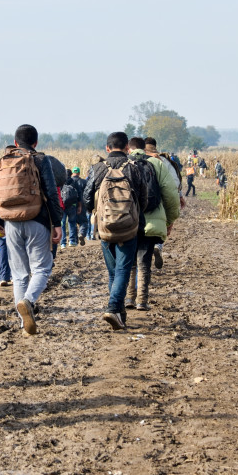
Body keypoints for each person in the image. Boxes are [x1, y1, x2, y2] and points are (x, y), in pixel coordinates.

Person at [0, 124, 63, 335]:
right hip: (37, 220)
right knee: (42, 268)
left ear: (15, 142)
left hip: (10, 222)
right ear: (36, 142)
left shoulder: (2, 161)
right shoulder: (40, 159)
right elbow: (52, 194)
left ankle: (22, 322)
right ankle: (28, 301)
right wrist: (57, 223)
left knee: (19, 274)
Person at [83, 131, 147, 330]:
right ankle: (113, 309)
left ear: (107, 148)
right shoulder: (134, 169)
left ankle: (119, 313)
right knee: (122, 271)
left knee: (113, 273)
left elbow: (86, 197)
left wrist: (96, 213)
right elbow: (144, 198)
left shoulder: (97, 168)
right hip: (129, 228)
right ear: (127, 148)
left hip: (105, 229)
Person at [125, 137, 180, 311]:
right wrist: (169, 220)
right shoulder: (157, 165)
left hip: (128, 220)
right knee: (144, 262)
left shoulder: (123, 164)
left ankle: (129, 299)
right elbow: (171, 194)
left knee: (130, 261)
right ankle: (142, 301)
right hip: (151, 220)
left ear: (129, 149)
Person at [59, 168, 82, 247]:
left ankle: (63, 243)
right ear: (71, 174)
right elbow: (79, 195)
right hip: (72, 205)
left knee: (62, 224)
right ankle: (72, 241)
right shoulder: (74, 182)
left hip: (62, 206)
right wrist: (79, 206)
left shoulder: (61, 181)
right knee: (72, 223)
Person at [68, 167, 88, 245]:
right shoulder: (84, 181)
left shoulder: (69, 181)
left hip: (70, 204)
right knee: (83, 222)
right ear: (79, 173)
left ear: (73, 173)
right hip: (81, 204)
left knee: (72, 223)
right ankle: (82, 233)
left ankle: (74, 241)